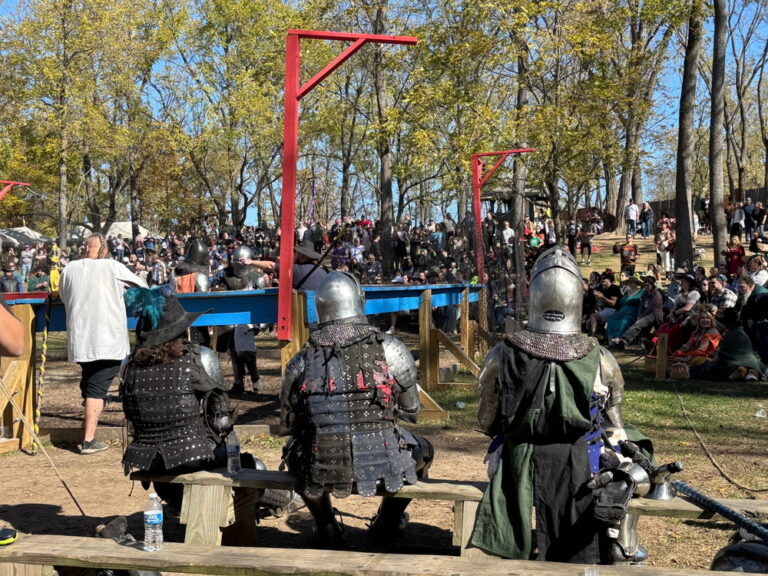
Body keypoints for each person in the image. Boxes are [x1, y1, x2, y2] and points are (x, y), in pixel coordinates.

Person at [471, 246, 649, 564]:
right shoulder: (601, 358)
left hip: (516, 459)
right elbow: (615, 424)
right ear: (575, 300)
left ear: (535, 296)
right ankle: (620, 542)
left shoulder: (502, 354)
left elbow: (487, 421)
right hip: (585, 458)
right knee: (634, 460)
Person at [280, 271, 434, 548]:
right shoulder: (392, 349)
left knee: (295, 453)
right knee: (423, 450)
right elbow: (412, 411)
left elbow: (289, 423)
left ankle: (327, 529)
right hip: (383, 461)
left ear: (321, 306)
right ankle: (385, 525)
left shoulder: (300, 360)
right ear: (359, 300)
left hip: (320, 463)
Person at [58, 234, 148, 455]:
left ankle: (89, 425)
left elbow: (63, 296)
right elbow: (142, 286)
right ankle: (88, 440)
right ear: (104, 250)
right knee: (96, 389)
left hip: (81, 339)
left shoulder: (69, 268)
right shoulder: (112, 267)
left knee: (91, 383)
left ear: (84, 248)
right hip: (107, 338)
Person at [691, 308, 766, 381]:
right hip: (747, 363)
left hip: (733, 365)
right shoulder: (740, 332)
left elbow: (718, 357)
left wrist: (706, 361)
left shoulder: (730, 334)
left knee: (705, 368)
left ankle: (735, 375)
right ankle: (742, 373)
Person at [606, 275, 643, 346]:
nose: (630, 284)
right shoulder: (627, 292)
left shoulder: (641, 292)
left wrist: (630, 301)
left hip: (632, 312)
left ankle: (618, 339)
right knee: (611, 320)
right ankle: (611, 339)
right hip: (622, 312)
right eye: (629, 282)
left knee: (624, 322)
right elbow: (621, 302)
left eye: (632, 282)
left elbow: (640, 303)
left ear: (636, 283)